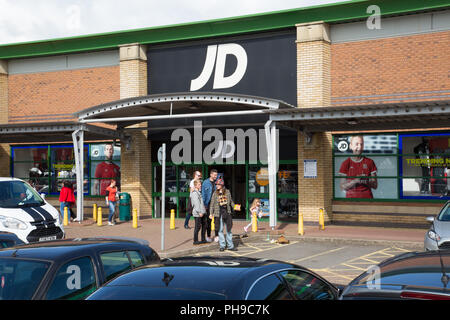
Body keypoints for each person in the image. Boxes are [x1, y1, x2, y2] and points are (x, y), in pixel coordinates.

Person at [209, 178, 237, 252]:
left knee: (229, 230)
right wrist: (211, 213)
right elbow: (212, 204)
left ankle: (230, 246)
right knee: (220, 230)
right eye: (216, 184)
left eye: (218, 184)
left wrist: (235, 207)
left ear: (222, 185)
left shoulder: (227, 192)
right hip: (218, 214)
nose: (217, 186)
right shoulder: (215, 193)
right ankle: (222, 245)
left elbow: (231, 202)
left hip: (227, 213)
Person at [202, 169, 218, 242]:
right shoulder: (205, 182)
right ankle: (208, 236)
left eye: (216, 175)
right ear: (211, 174)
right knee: (208, 221)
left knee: (217, 221)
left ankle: (217, 236)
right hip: (208, 204)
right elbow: (203, 194)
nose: (215, 176)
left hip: (216, 204)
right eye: (214, 175)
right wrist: (204, 205)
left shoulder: (217, 182)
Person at [190, 180, 207, 245]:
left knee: (204, 225)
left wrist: (203, 211)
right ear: (196, 185)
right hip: (198, 213)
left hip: (202, 212)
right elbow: (196, 204)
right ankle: (195, 240)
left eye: (200, 184)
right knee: (197, 227)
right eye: (199, 184)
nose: (200, 185)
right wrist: (199, 212)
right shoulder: (194, 193)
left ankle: (203, 239)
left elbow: (200, 203)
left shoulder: (198, 192)